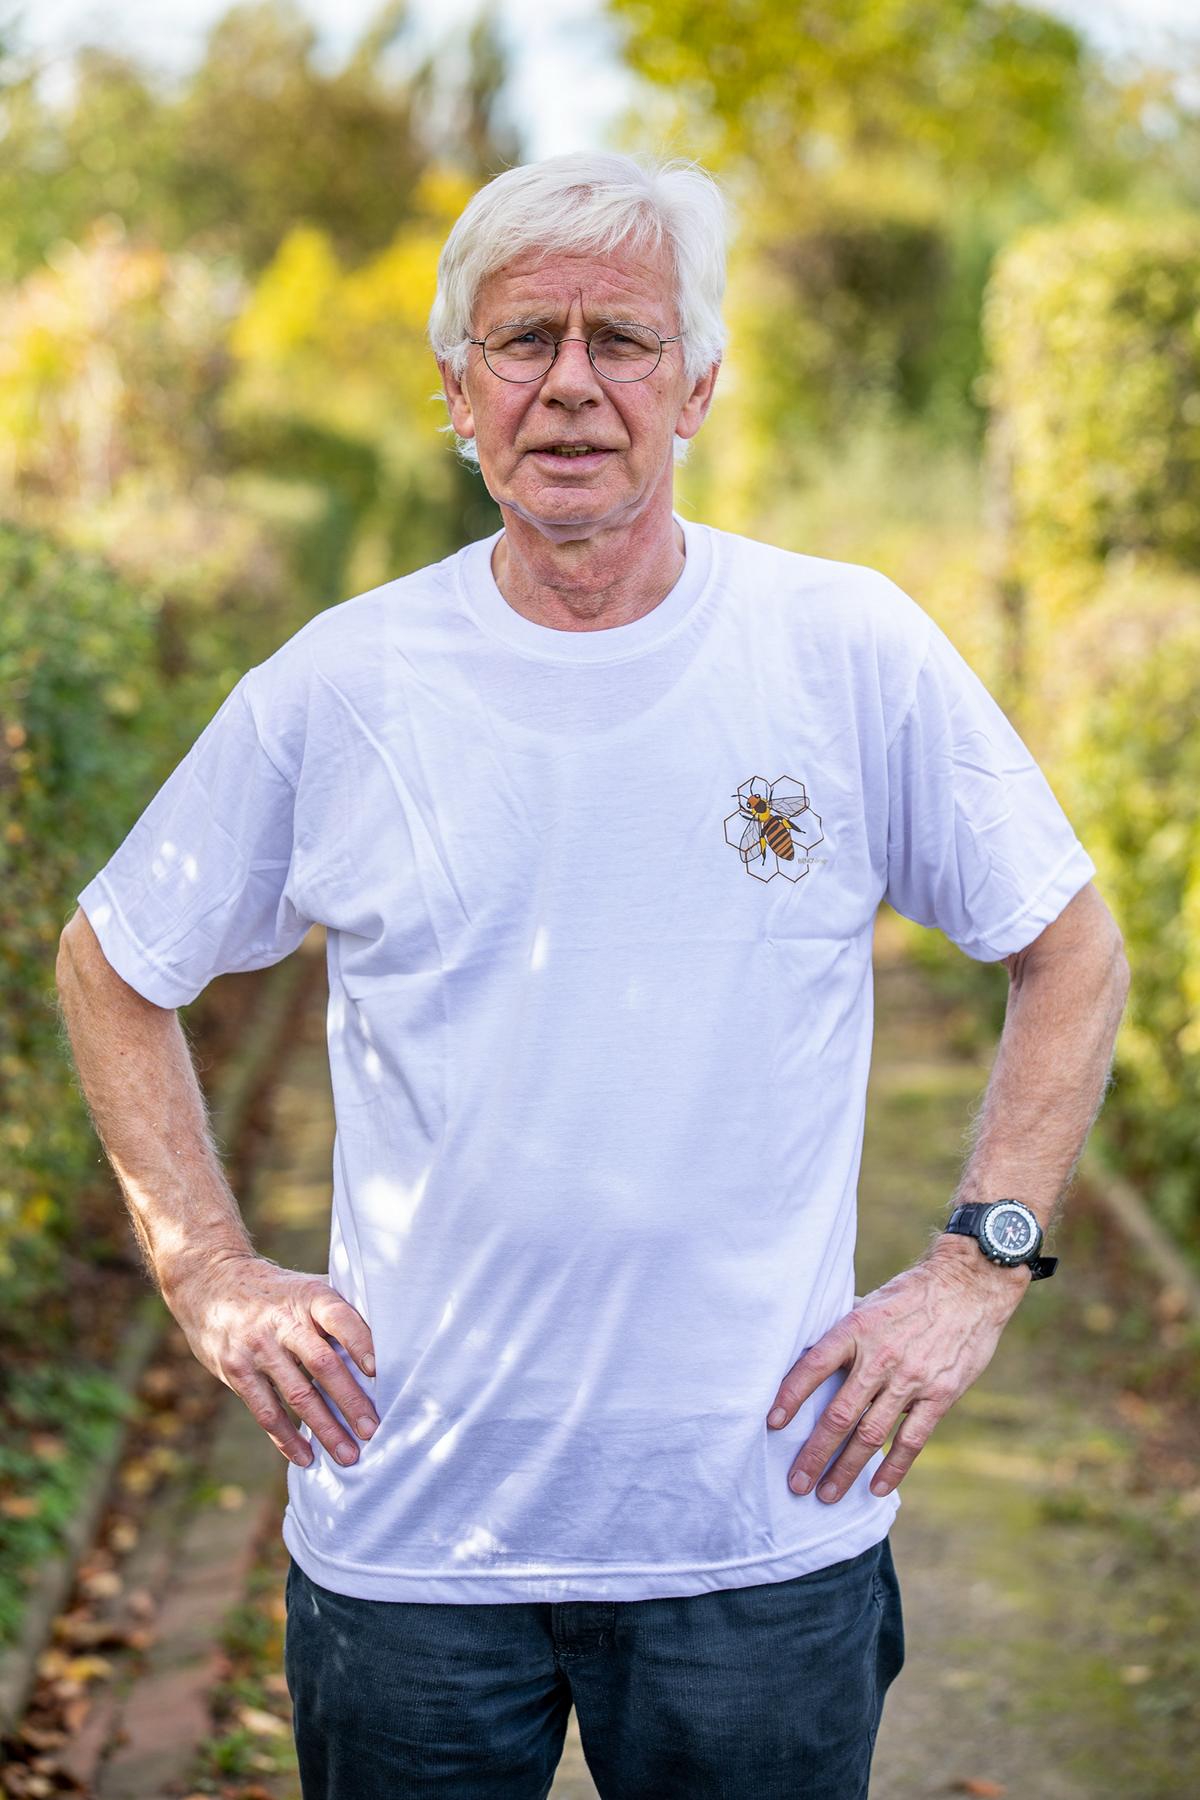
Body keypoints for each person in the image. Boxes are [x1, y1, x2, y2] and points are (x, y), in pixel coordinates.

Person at [56, 151, 1130, 1799]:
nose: (570, 383)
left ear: (698, 383)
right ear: (455, 388)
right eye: (522, 339)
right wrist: (207, 1272)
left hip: (759, 1531)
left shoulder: (841, 649)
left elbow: (1068, 944)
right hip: (412, 1539)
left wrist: (977, 1268)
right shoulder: (341, 687)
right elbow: (114, 958)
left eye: (622, 339)